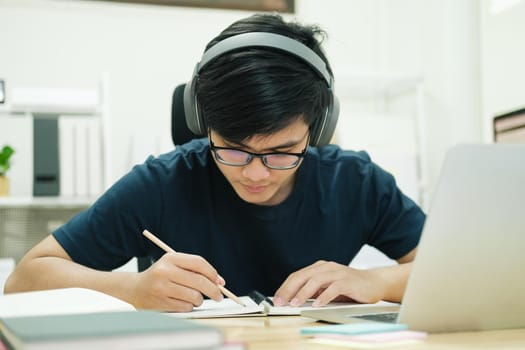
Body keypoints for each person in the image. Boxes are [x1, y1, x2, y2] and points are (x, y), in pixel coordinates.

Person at [4, 14, 425, 312]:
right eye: (233, 148)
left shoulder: (356, 182)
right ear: (202, 123)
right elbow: (23, 280)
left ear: (319, 128)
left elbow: (454, 269)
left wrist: (376, 282)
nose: (255, 173)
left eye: (281, 151)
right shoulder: (162, 184)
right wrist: (131, 288)